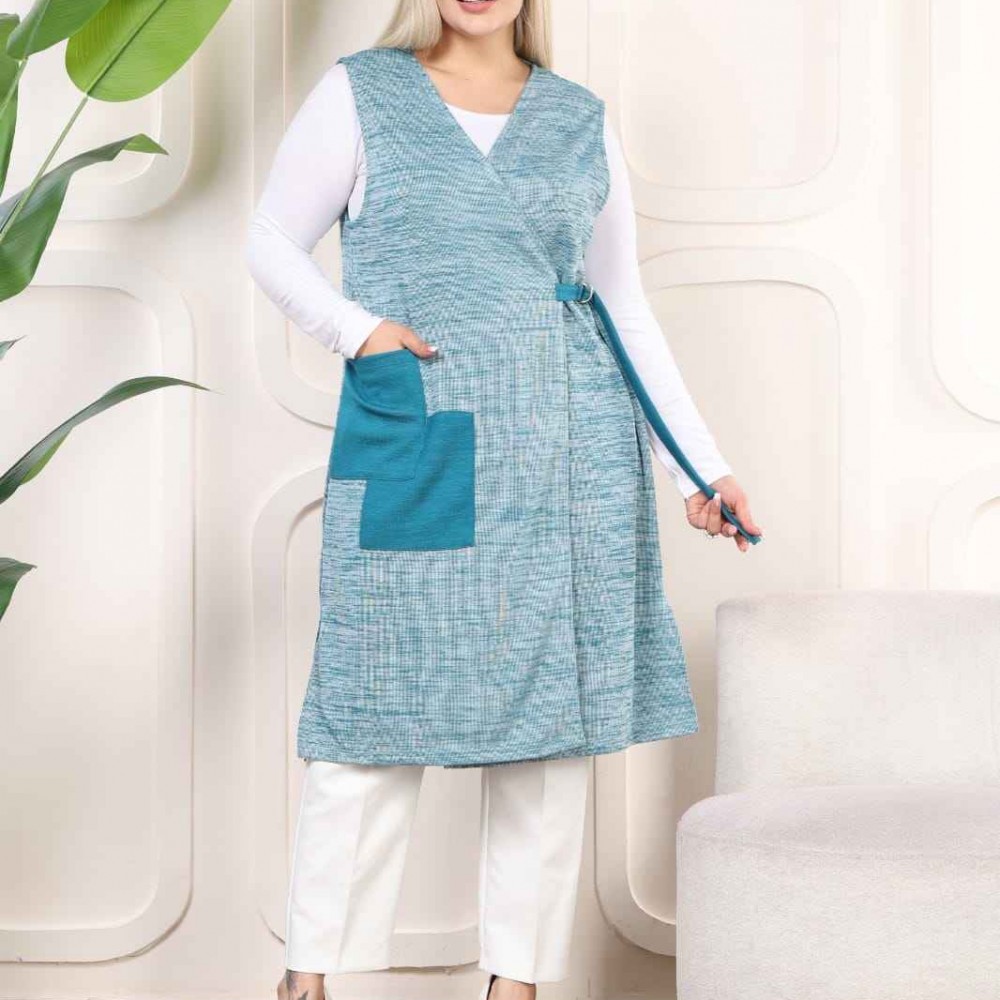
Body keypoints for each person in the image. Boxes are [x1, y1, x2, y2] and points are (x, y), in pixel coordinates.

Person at [244, 2, 763, 999]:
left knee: (546, 725)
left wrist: (698, 467)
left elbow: (620, 303)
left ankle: (515, 985)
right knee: (372, 704)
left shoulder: (577, 117)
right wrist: (359, 330)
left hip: (569, 450)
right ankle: (309, 980)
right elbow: (270, 240)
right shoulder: (362, 93)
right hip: (421, 435)